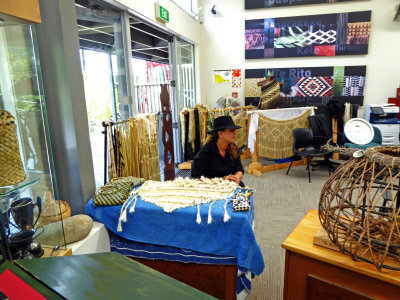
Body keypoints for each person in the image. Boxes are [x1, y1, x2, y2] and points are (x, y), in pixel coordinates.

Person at [191, 116, 245, 187]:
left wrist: (237, 177)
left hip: (229, 184)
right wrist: (221, 180)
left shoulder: (233, 148)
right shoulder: (205, 151)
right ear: (220, 133)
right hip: (211, 188)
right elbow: (197, 179)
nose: (235, 133)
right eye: (231, 130)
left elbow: (239, 169)